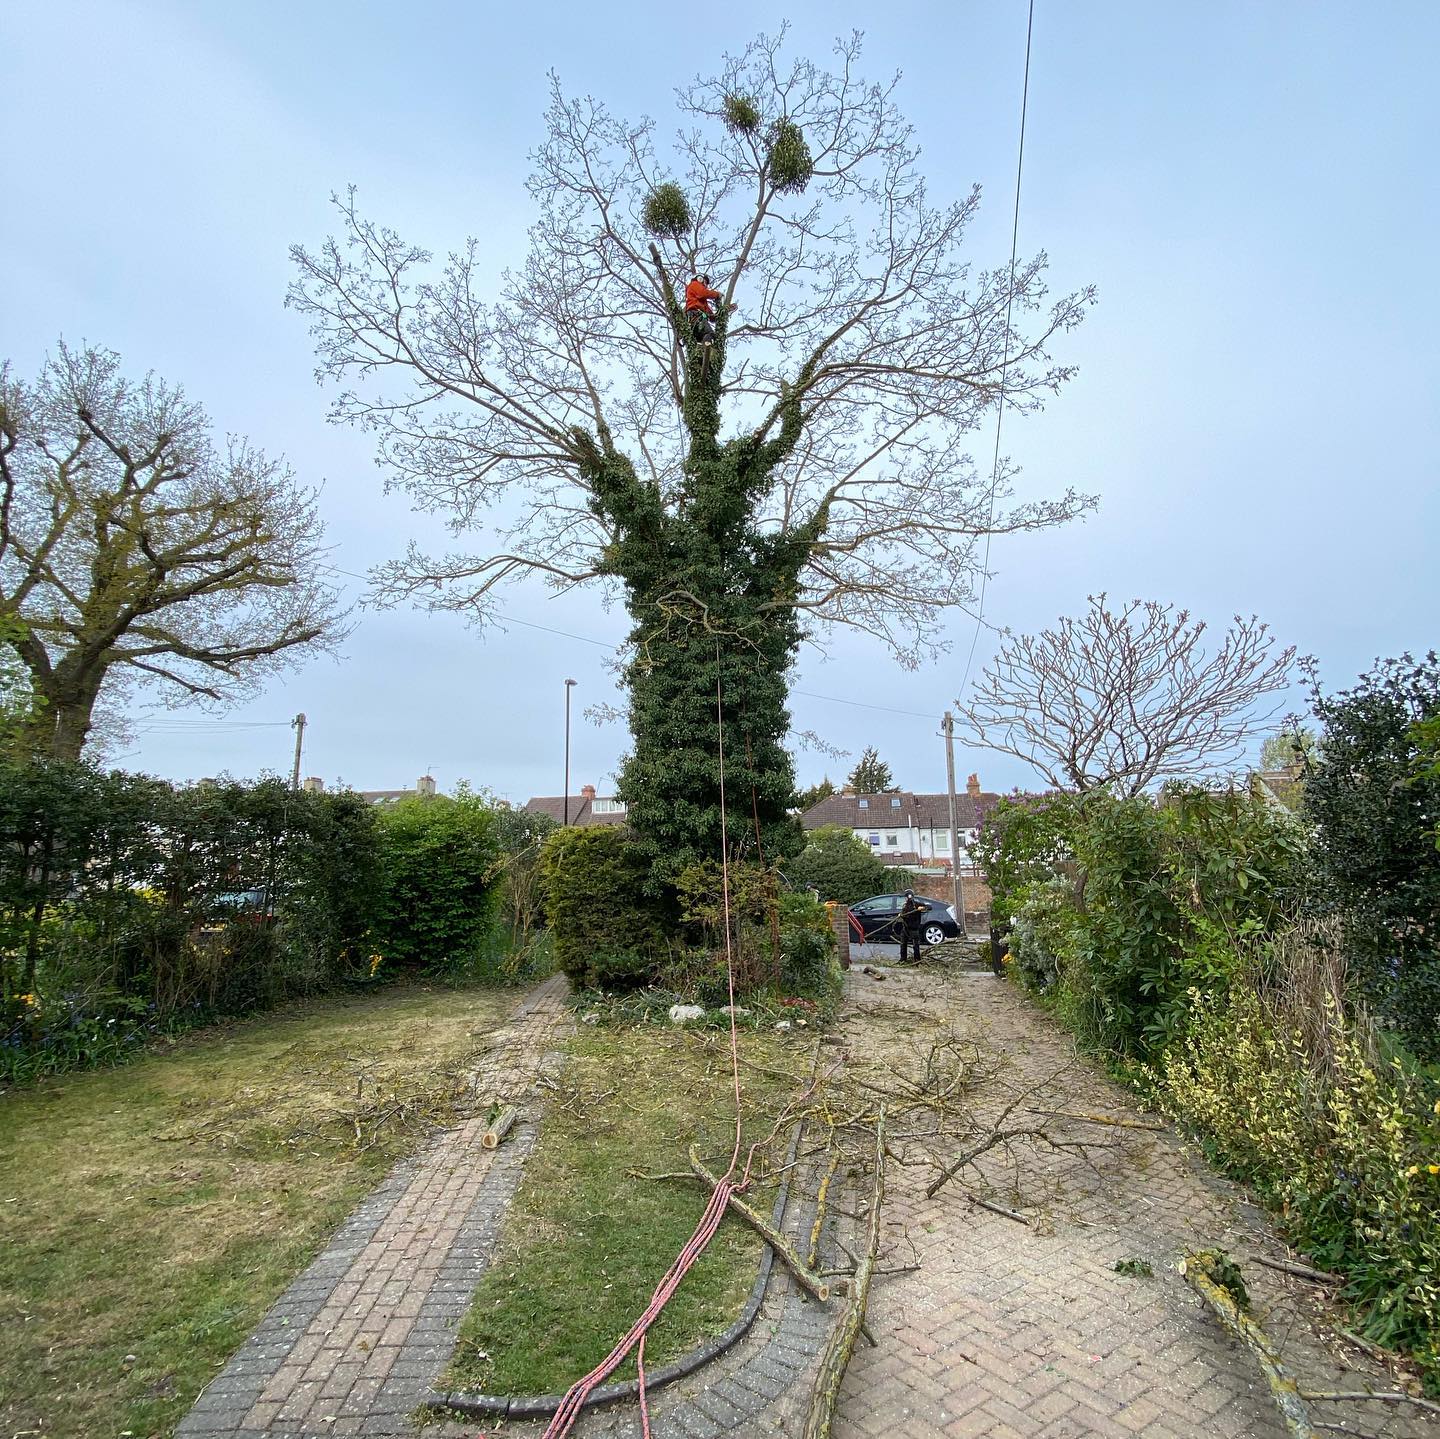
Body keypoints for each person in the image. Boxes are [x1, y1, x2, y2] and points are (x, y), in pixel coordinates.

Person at [684, 273, 722, 344]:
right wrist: (716, 294)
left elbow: (709, 313)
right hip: (695, 315)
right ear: (700, 279)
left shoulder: (702, 302)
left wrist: (718, 316)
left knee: (701, 341)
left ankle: (704, 348)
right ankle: (707, 345)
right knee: (710, 334)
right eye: (705, 282)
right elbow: (702, 293)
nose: (705, 285)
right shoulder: (694, 284)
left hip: (698, 317)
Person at [898, 889, 926, 963]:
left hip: (914, 928)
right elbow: (904, 915)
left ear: (909, 896)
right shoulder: (905, 905)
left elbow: (929, 907)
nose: (905, 898)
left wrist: (922, 908)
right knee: (903, 944)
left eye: (905, 897)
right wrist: (900, 915)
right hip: (905, 928)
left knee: (915, 945)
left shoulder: (916, 904)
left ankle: (917, 960)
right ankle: (903, 960)